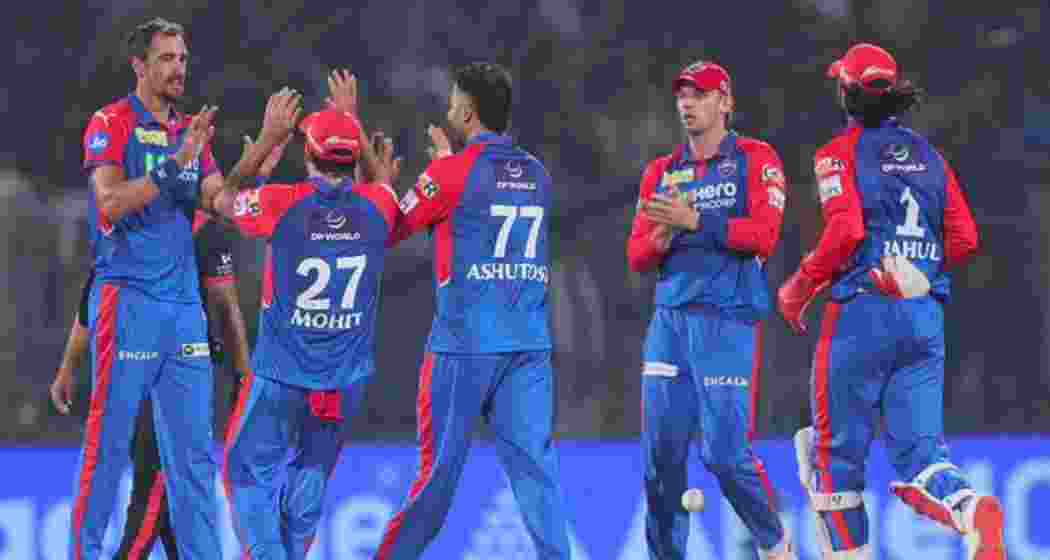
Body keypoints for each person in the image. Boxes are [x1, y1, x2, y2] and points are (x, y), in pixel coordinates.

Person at [778, 43, 1002, 559]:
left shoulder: (839, 152)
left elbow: (846, 229)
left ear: (846, 93)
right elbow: (966, 239)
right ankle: (971, 510)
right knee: (922, 457)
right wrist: (920, 277)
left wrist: (801, 287)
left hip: (862, 312)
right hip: (923, 316)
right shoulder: (931, 157)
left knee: (833, 459)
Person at [374, 62, 573, 559]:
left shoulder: (451, 173)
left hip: (463, 349)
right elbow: (481, 210)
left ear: (466, 112)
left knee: (436, 482)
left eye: (451, 103)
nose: (447, 110)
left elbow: (391, 229)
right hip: (527, 349)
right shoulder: (538, 174)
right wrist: (446, 169)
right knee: (538, 478)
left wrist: (382, 184)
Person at [74, 16, 238, 559]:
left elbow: (222, 202)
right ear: (140, 66)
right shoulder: (112, 121)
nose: (178, 68)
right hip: (128, 301)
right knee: (109, 448)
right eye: (166, 58)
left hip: (184, 308)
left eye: (183, 58)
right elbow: (110, 203)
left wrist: (265, 145)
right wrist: (175, 167)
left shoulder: (189, 132)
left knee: (194, 460)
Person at [222, 71, 401, 559]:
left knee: (247, 475)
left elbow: (220, 201)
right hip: (343, 381)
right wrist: (352, 123)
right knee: (311, 475)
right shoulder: (378, 206)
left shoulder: (283, 204)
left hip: (282, 372)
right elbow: (382, 183)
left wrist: (266, 139)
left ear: (307, 154)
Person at [629, 60, 795, 560]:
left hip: (726, 319)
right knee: (660, 462)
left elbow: (764, 236)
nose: (687, 103)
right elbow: (637, 256)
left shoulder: (755, 159)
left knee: (724, 456)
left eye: (699, 94)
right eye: (682, 94)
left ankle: (774, 543)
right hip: (669, 322)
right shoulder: (661, 171)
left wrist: (694, 219)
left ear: (725, 101)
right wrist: (663, 235)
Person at [50, 198, 278, 555]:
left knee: (163, 494)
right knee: (156, 489)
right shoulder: (132, 224)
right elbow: (91, 301)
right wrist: (68, 367)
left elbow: (224, 304)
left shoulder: (200, 228)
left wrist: (243, 377)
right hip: (145, 372)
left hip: (169, 374)